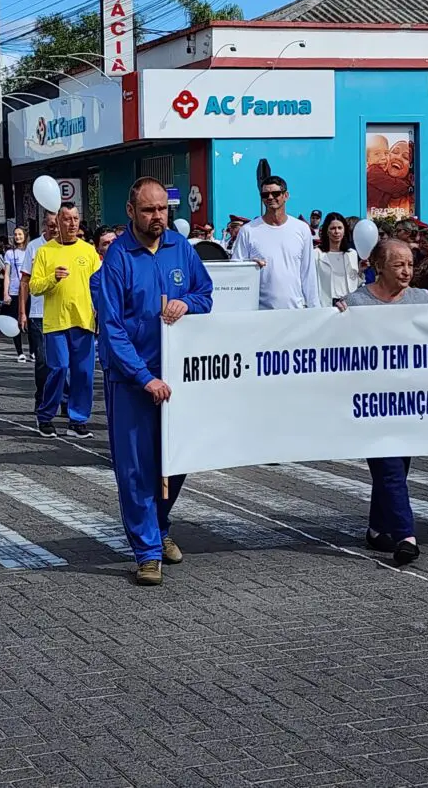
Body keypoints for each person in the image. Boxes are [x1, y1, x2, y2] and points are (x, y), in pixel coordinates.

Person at [99, 178, 213, 586]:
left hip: (177, 375)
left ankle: (159, 525)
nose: (158, 217)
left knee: (177, 459)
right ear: (131, 212)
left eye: (163, 208)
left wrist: (190, 303)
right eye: (149, 210)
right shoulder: (117, 259)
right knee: (135, 470)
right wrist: (144, 377)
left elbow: (205, 293)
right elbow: (111, 330)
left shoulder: (180, 247)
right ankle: (147, 552)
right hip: (132, 382)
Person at [335, 239, 428, 567]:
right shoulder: (357, 302)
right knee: (389, 467)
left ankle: (378, 528)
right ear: (380, 267)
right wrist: (334, 318)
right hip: (371, 403)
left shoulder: (424, 299)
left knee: (398, 468)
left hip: (410, 401)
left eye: (410, 264)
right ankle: (405, 536)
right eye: (398, 265)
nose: (407, 271)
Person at [29, 202, 100, 439]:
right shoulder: (45, 252)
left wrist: (101, 311)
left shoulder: (88, 251)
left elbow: (98, 284)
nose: (72, 223)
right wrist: (53, 278)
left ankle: (77, 420)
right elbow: (34, 287)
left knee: (83, 373)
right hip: (56, 322)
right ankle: (45, 416)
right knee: (59, 368)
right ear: (58, 223)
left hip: (84, 320)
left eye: (75, 218)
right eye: (67, 219)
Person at [230, 175, 319, 309]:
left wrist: (315, 310)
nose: (270, 197)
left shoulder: (301, 229)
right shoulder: (248, 230)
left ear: (286, 195)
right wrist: (250, 266)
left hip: (295, 310)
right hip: (260, 312)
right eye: (265, 194)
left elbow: (308, 273)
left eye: (275, 193)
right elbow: (236, 272)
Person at [20, 213, 59, 410]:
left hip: (62, 313)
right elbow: (25, 281)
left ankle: (64, 400)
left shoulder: (68, 246)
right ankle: (42, 399)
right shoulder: (34, 246)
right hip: (39, 313)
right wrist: (22, 312)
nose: (54, 229)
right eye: (51, 225)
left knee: (62, 363)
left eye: (57, 225)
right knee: (43, 361)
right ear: (45, 225)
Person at [313, 212, 361, 307]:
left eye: (340, 228)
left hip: (350, 304)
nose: (336, 232)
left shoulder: (352, 253)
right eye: (332, 228)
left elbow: (354, 280)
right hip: (327, 305)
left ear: (344, 230)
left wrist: (361, 271)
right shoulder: (317, 253)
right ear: (327, 231)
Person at [3, 226, 29, 362]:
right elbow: (7, 274)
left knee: (30, 321)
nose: (17, 237)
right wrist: (6, 294)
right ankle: (20, 352)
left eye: (20, 234)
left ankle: (33, 351)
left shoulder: (30, 251)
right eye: (15, 234)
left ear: (25, 235)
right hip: (14, 291)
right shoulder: (9, 253)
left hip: (29, 291)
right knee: (15, 322)